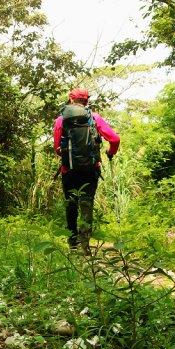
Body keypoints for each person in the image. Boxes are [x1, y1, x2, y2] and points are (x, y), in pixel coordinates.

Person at [53, 87, 120, 251]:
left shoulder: (61, 120)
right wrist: (110, 153)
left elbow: (57, 148)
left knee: (71, 204)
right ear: (87, 101)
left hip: (68, 170)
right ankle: (85, 245)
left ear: (71, 99)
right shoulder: (94, 118)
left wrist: (70, 157)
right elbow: (115, 139)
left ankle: (72, 242)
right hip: (91, 170)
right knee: (86, 204)